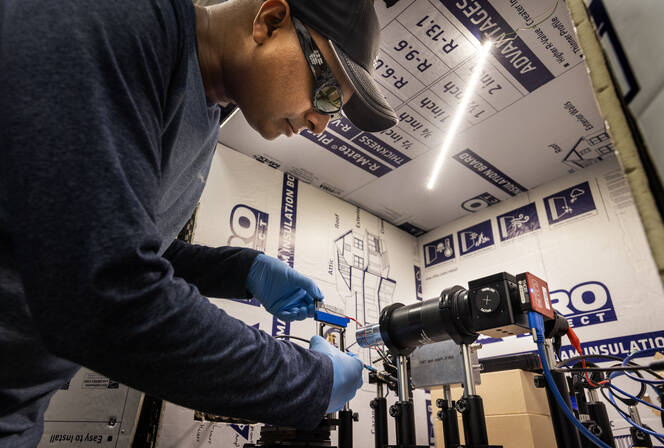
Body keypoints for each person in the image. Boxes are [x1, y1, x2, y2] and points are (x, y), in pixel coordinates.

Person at [0, 0, 399, 446]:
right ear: (270, 21)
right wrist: (309, 382)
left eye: (335, 110)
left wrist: (243, 270)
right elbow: (103, 291)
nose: (321, 123)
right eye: (326, 91)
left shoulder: (204, 112)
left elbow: (117, 236)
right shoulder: (116, 24)